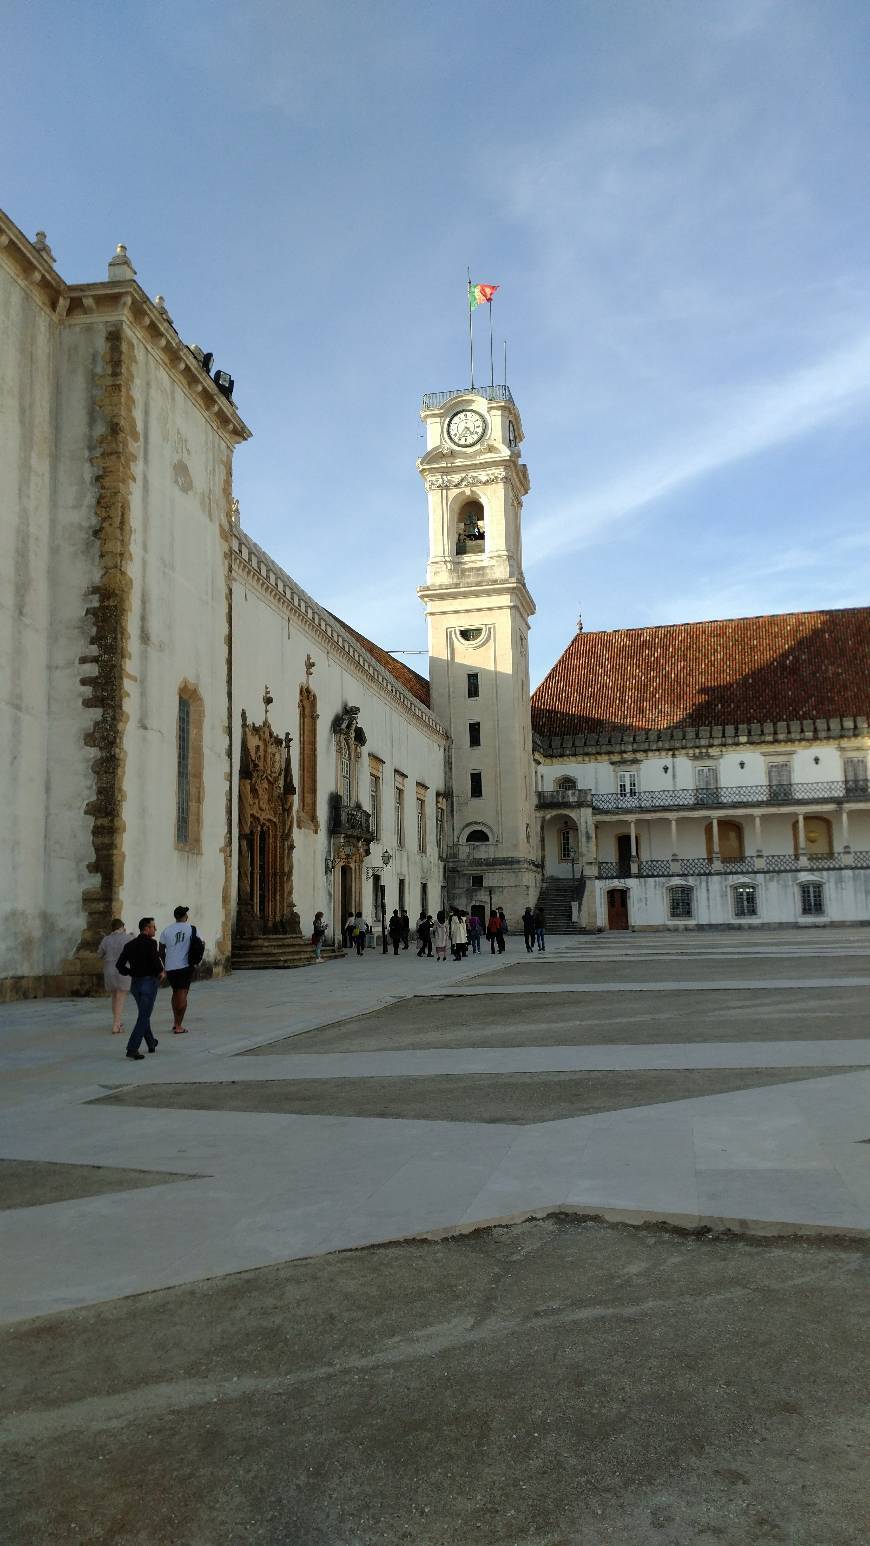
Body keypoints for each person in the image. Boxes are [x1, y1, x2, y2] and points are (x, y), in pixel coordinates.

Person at [116, 918, 164, 1059]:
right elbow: (155, 961)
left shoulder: (130, 945)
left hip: (136, 983)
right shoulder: (151, 943)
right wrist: (161, 971)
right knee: (144, 1016)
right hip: (148, 982)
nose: (155, 929)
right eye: (153, 927)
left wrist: (131, 972)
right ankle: (132, 1048)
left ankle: (151, 1042)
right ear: (147, 928)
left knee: (144, 1014)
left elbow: (120, 965)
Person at [158, 905, 196, 1034]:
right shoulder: (191, 929)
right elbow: (201, 944)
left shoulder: (167, 930)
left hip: (170, 967)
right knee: (183, 994)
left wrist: (165, 964)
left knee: (175, 992)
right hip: (185, 966)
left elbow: (161, 949)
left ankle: (176, 1021)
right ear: (185, 916)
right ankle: (179, 1025)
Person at [97, 918, 135, 1034]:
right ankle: (116, 1024)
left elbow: (99, 954)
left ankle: (117, 1021)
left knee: (114, 996)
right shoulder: (128, 937)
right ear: (122, 927)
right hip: (123, 968)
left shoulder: (106, 939)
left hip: (109, 969)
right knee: (121, 996)